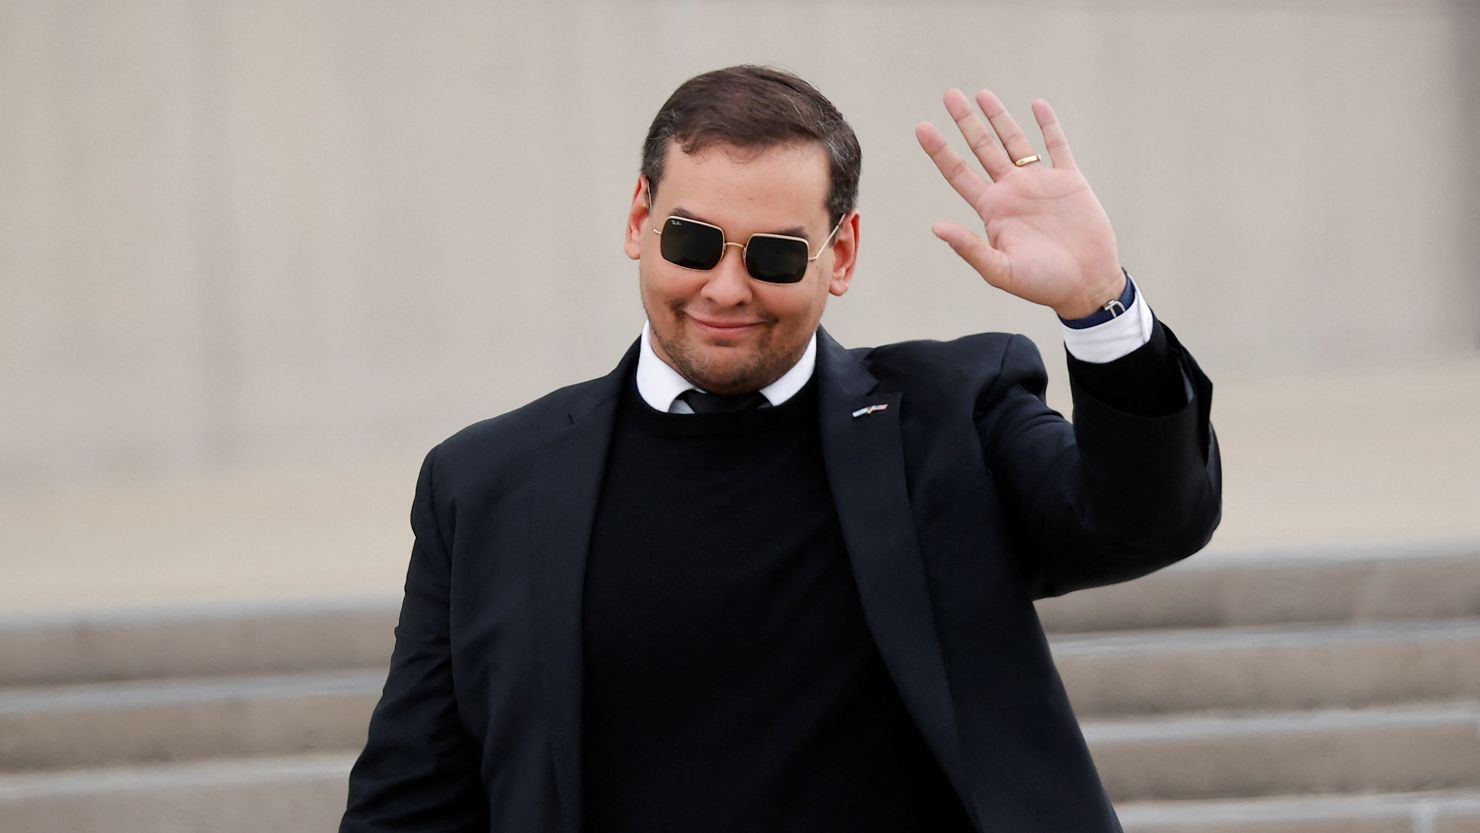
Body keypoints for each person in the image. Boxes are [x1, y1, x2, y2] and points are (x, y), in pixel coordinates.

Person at [341, 65, 1221, 833]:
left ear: (840, 255)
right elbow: (414, 797)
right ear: (639, 221)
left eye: (773, 254)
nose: (726, 288)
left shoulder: (952, 415)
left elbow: (1143, 520)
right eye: (692, 242)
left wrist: (1100, 305)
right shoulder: (486, 483)